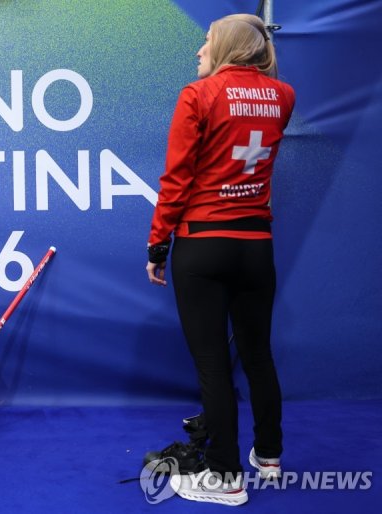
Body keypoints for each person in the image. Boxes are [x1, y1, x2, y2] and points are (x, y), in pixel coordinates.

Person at [145, 14, 295, 506]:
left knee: (212, 364)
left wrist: (158, 245)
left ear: (228, 44)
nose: (199, 50)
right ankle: (268, 457)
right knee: (258, 355)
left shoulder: (198, 95)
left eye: (206, 41)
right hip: (256, 245)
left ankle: (226, 478)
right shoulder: (284, 95)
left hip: (203, 243)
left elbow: (177, 178)